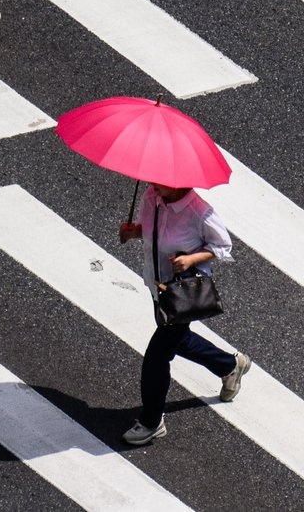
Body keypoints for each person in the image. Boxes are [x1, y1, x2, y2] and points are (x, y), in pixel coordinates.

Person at [119, 182, 251, 446]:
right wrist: (136, 232)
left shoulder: (199, 212)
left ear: (181, 185)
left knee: (156, 357)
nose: (153, 185)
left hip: (184, 290)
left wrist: (191, 259)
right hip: (158, 284)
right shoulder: (152, 197)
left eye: (161, 183)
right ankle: (229, 364)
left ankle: (151, 421)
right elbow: (156, 232)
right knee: (178, 340)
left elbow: (222, 246)